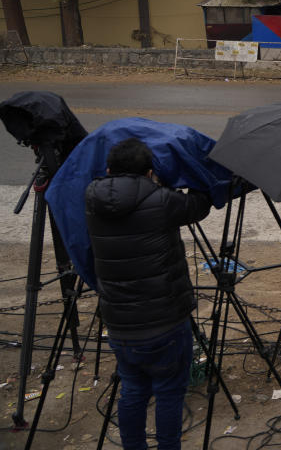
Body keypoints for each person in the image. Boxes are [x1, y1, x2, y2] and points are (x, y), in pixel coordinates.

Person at [85, 138, 212, 450]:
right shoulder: (162, 200)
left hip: (119, 326)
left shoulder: (91, 199)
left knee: (133, 391)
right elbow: (199, 204)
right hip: (165, 323)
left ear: (108, 169)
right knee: (169, 393)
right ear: (150, 173)